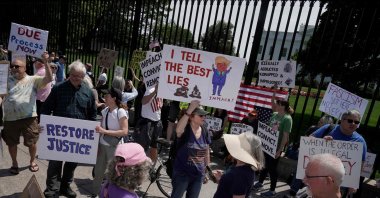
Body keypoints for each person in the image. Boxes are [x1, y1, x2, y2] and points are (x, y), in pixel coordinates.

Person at [42, 60, 97, 198]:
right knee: (55, 163)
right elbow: (46, 108)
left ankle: (65, 187)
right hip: (59, 134)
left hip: (78, 137)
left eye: (78, 76)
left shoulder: (88, 92)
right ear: (69, 74)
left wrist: (92, 131)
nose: (75, 78)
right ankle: (52, 190)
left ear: (83, 77)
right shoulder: (58, 88)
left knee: (71, 164)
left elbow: (93, 114)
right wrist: (42, 124)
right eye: (72, 75)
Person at [0, 53, 52, 175]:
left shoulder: (33, 79)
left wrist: (46, 62)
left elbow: (49, 79)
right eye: (12, 66)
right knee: (11, 143)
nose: (13, 68)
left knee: (32, 142)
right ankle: (14, 163)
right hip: (10, 119)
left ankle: (32, 161)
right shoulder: (5, 81)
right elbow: (1, 96)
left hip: (29, 118)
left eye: (17, 66)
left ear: (24, 68)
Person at [311, 110, 367, 198]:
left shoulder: (360, 141)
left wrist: (354, 183)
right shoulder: (329, 128)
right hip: (320, 177)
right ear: (342, 120)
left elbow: (361, 163)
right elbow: (310, 139)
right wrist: (321, 142)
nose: (353, 123)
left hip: (341, 183)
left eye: (356, 122)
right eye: (350, 121)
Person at [253, 85, 293, 197]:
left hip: (276, 147)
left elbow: (285, 136)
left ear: (283, 106)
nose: (276, 104)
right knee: (264, 164)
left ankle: (272, 190)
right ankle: (260, 183)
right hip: (268, 145)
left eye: (279, 103)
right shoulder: (275, 114)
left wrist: (280, 150)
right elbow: (272, 103)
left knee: (272, 168)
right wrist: (274, 92)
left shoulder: (287, 119)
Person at [92, 87, 129, 196]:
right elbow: (101, 129)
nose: (104, 98)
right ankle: (95, 193)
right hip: (103, 145)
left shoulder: (121, 111)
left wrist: (105, 131)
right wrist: (98, 144)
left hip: (115, 147)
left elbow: (125, 131)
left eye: (107, 96)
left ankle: (112, 194)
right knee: (98, 171)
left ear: (114, 98)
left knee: (112, 173)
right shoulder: (105, 111)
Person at [171, 100, 211, 198]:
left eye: (204, 115)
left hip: (198, 174)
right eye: (200, 115)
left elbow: (206, 151)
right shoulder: (185, 129)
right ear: (191, 117)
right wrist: (190, 109)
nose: (204, 117)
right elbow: (178, 130)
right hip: (182, 173)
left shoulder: (205, 130)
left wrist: (206, 171)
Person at [212, 132, 265, 198]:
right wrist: (222, 179)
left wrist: (228, 177)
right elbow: (233, 186)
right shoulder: (241, 168)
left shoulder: (241, 174)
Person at [133, 83, 163, 162]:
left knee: (154, 145)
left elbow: (160, 106)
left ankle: (152, 166)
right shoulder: (149, 89)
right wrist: (154, 92)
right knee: (142, 146)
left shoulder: (162, 90)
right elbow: (143, 101)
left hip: (157, 121)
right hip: (147, 122)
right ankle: (139, 164)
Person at [34, 57, 52, 121]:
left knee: (39, 118)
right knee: (44, 117)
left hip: (40, 98)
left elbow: (33, 85)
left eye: (35, 63)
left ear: (39, 63)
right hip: (45, 97)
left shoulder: (40, 72)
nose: (34, 64)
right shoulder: (45, 71)